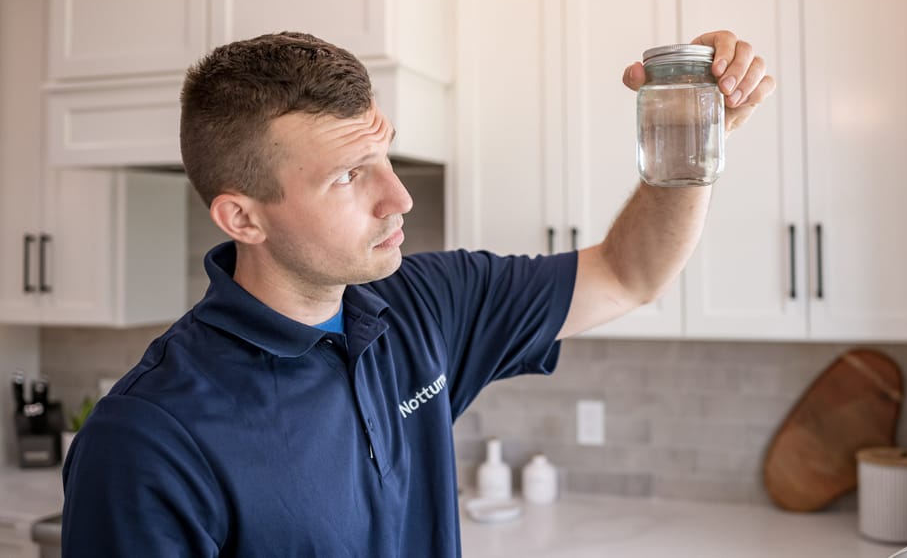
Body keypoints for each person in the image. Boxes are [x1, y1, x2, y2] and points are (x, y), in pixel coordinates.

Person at [61, 30, 774, 557]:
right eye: (348, 175)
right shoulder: (147, 437)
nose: (397, 196)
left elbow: (629, 274)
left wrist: (687, 141)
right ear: (242, 216)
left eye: (385, 154)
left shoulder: (422, 304)